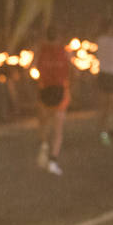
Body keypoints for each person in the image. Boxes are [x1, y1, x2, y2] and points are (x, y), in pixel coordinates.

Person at [33, 26, 71, 176]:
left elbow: (31, 68)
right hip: (60, 92)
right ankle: (53, 161)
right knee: (58, 130)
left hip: (44, 91)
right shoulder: (65, 51)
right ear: (59, 36)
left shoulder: (40, 50)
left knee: (44, 124)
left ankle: (44, 147)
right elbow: (73, 70)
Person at [93, 16, 113, 145]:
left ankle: (104, 132)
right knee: (111, 105)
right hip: (111, 75)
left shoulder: (99, 40)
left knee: (103, 106)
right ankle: (109, 129)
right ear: (110, 28)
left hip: (103, 74)